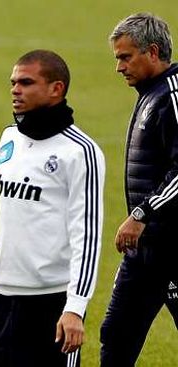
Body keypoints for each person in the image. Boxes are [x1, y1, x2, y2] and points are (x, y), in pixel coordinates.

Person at [0, 50, 105, 367]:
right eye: (13, 82)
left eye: (26, 82)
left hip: (50, 305)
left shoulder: (80, 152)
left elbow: (88, 234)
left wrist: (75, 307)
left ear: (57, 89)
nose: (16, 89)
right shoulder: (8, 138)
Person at [100, 13, 178, 366]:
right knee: (116, 336)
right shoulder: (151, 93)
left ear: (152, 51)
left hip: (173, 249)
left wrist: (141, 213)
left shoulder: (173, 96)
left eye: (125, 56)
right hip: (145, 252)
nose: (119, 67)